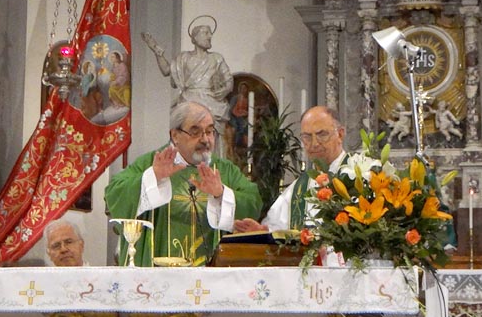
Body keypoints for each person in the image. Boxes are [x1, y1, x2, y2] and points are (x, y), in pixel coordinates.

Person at [105, 101, 261, 266]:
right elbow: (114, 193)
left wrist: (221, 194)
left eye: (209, 131)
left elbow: (253, 202)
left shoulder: (224, 170)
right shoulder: (152, 163)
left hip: (212, 276)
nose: (205, 139)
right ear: (175, 135)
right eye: (195, 132)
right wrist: (153, 178)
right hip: (158, 274)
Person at [234, 106, 348, 232]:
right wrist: (263, 232)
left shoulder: (358, 176)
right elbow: (274, 228)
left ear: (340, 134)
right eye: (307, 137)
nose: (314, 143)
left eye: (322, 134)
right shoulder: (298, 189)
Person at [142, 18, 234, 140]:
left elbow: (228, 80)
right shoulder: (184, 58)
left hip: (211, 103)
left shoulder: (216, 58)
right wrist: (156, 51)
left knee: (209, 138)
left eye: (210, 33)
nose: (210, 36)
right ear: (195, 38)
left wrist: (226, 89)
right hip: (189, 101)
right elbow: (166, 70)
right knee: (188, 136)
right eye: (206, 33)